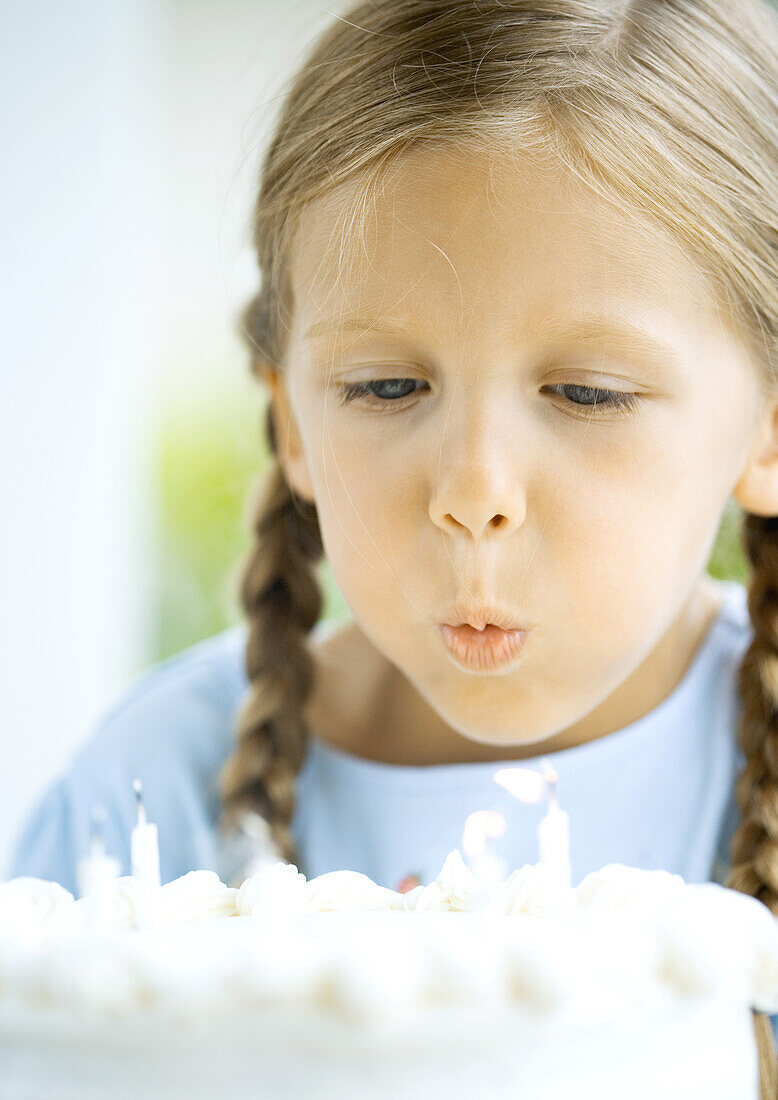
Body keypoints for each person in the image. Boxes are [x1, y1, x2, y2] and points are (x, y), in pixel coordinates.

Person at [7, 0, 778, 1087]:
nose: (473, 492)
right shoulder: (150, 797)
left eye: (587, 393)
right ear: (290, 422)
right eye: (384, 386)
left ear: (767, 425)